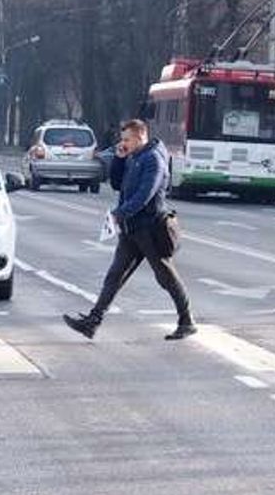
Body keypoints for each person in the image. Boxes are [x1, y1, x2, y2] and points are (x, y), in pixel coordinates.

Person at [63, 119, 196, 341]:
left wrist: (118, 213)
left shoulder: (153, 159)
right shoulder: (135, 156)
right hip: (132, 229)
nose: (123, 143)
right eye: (122, 139)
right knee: (114, 276)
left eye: (126, 139)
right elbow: (116, 184)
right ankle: (92, 322)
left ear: (140, 137)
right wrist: (119, 158)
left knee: (165, 276)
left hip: (151, 229)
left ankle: (187, 321)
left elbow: (145, 195)